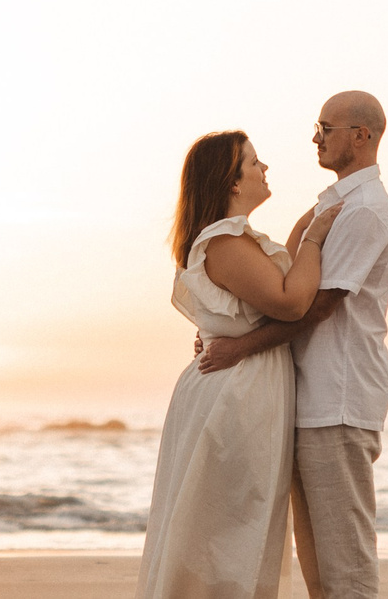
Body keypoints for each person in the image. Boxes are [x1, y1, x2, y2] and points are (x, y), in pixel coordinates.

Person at [198, 92, 388, 599]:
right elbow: (280, 292)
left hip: (340, 397)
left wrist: (237, 349)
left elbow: (317, 305)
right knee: (319, 568)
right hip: (311, 399)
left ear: (361, 136)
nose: (315, 137)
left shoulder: (365, 211)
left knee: (345, 568)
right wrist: (225, 328)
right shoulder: (332, 204)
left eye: (325, 128)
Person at [138, 130, 340, 599]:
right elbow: (291, 302)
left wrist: (309, 227)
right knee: (225, 531)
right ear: (230, 181)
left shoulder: (240, 240)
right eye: (253, 162)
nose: (264, 168)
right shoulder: (225, 243)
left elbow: (281, 281)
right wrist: (314, 237)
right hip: (235, 394)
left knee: (236, 526)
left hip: (245, 385)